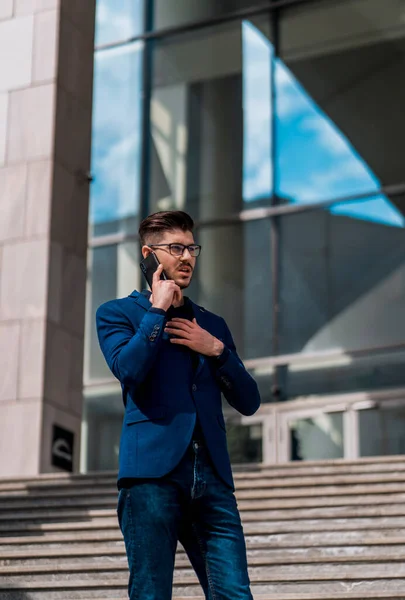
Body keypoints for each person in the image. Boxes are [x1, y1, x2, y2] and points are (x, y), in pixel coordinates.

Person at [96, 210, 261, 600]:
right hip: (152, 476)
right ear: (149, 255)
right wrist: (157, 311)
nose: (187, 257)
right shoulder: (117, 313)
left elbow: (249, 401)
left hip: (213, 480)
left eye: (192, 248)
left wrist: (217, 350)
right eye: (176, 248)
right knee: (151, 594)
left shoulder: (212, 325)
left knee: (235, 594)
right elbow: (130, 371)